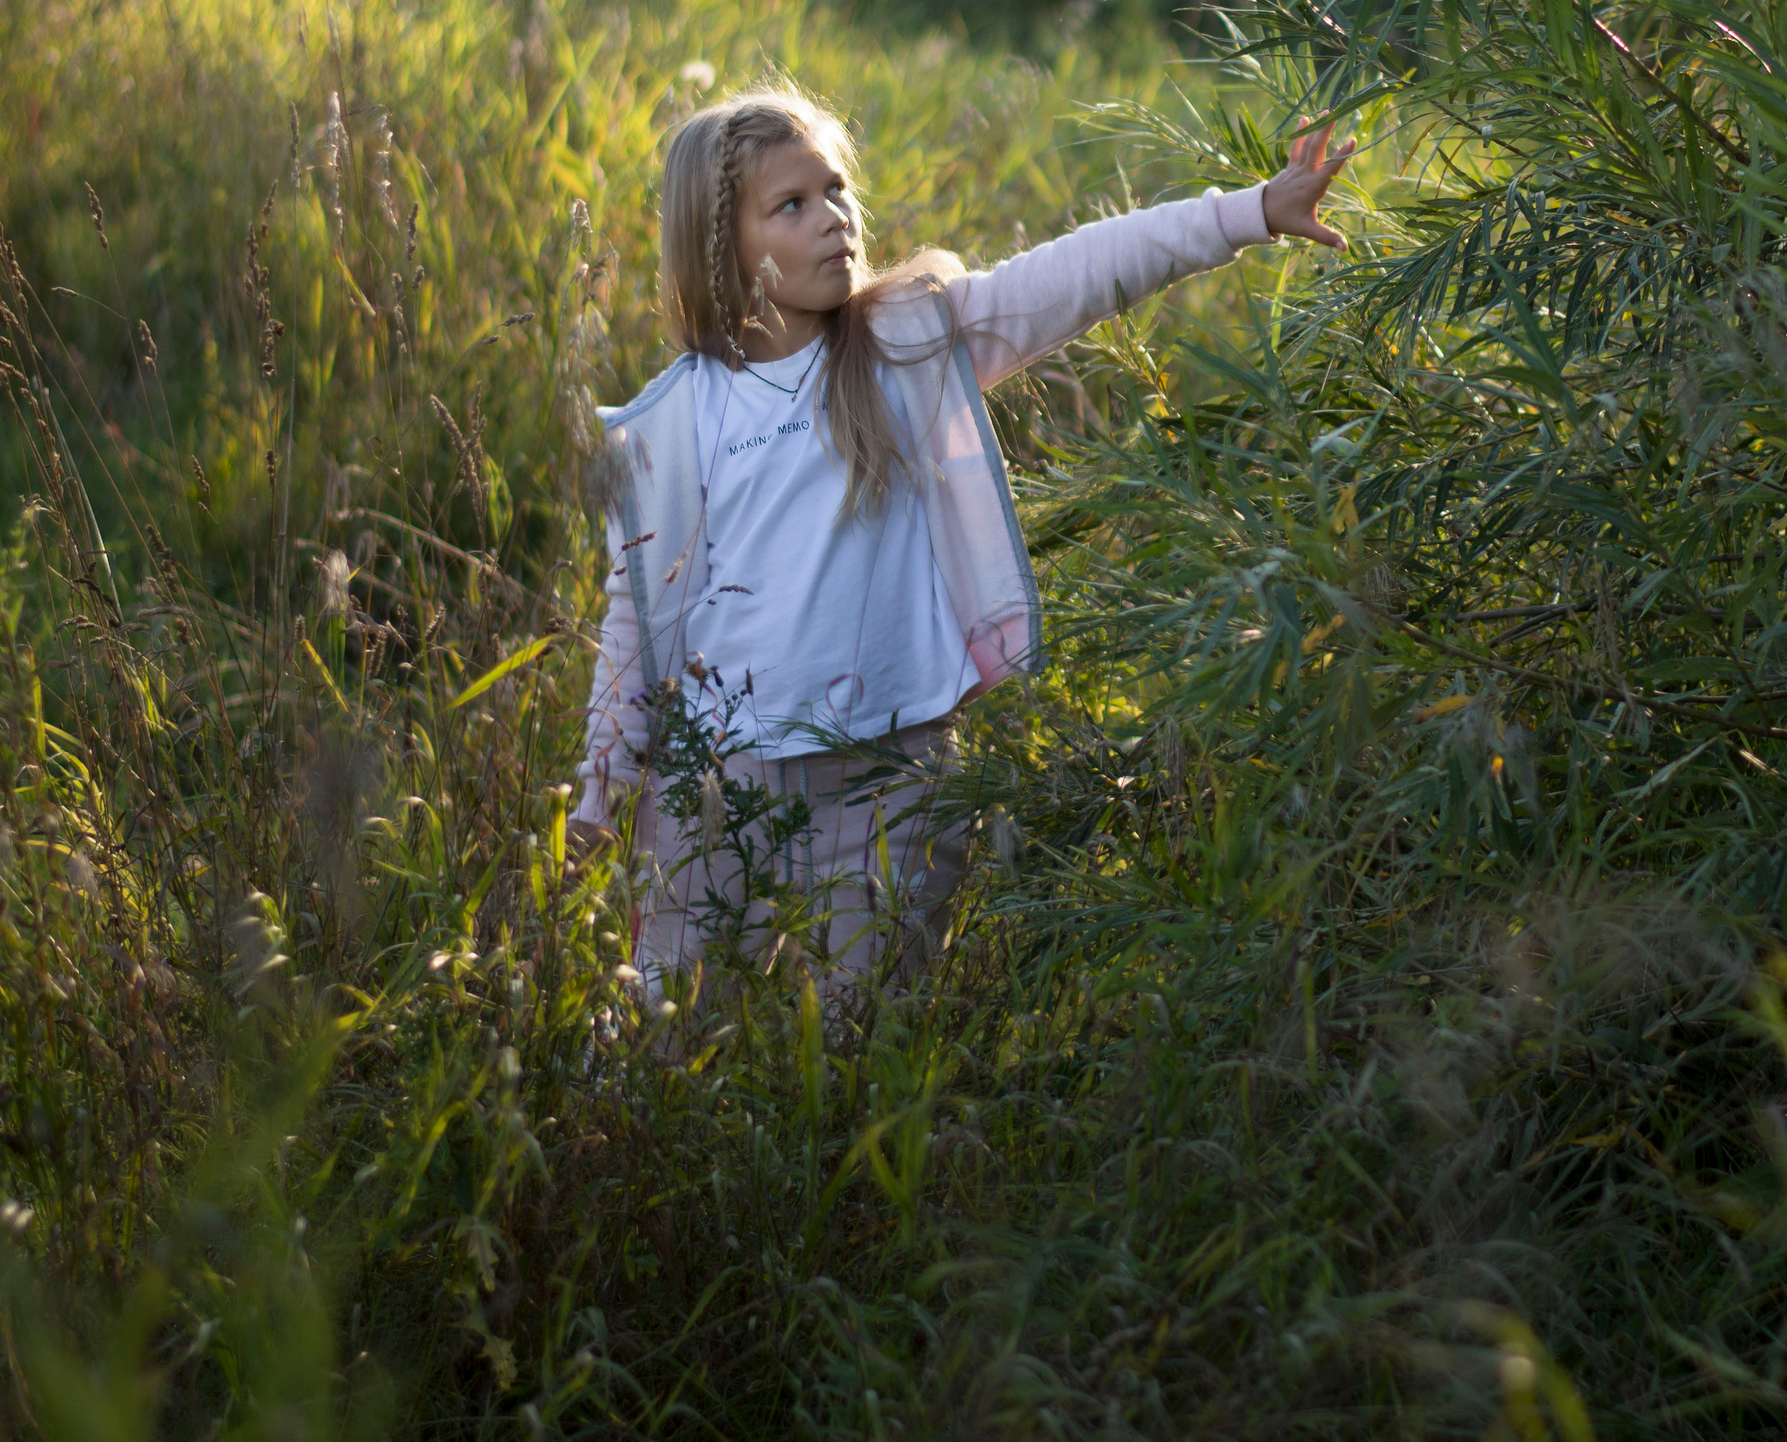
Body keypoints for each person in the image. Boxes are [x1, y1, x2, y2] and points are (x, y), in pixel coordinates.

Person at [569, 80, 1356, 1003]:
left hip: (891, 778)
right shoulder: (670, 422)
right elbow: (636, 627)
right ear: (722, 246)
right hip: (717, 781)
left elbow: (1075, 273)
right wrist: (600, 785)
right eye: (793, 205)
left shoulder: (905, 342)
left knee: (860, 1033)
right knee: (671, 1022)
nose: (834, 220)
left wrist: (1251, 211)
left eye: (836, 191)